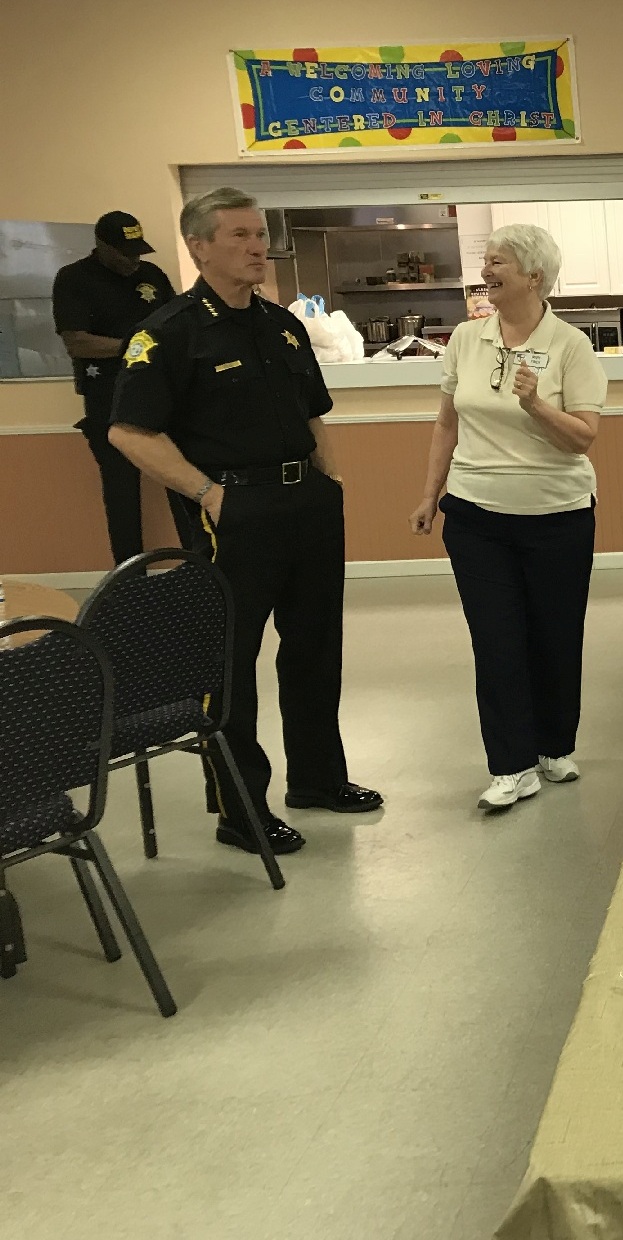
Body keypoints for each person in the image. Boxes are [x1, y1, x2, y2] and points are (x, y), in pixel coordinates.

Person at [110, 187, 382, 856]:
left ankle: (318, 778)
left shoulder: (281, 325)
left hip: (306, 504)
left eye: (259, 234)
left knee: (316, 648)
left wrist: (331, 480)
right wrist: (207, 494)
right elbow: (129, 432)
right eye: (238, 236)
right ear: (198, 246)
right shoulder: (170, 333)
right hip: (234, 512)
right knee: (230, 664)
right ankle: (239, 808)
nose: (256, 246)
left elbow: (312, 411)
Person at [408, 224, 605, 811]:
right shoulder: (467, 339)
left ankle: (553, 745)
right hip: (475, 515)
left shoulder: (571, 345)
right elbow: (447, 422)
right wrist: (429, 494)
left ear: (534, 277)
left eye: (498, 263)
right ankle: (510, 764)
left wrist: (535, 403)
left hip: (557, 516)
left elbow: (583, 440)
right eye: (486, 262)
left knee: (554, 635)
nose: (486, 272)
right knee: (496, 640)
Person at [51, 211, 177, 564]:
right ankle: (128, 579)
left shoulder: (152, 275)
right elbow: (77, 342)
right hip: (108, 397)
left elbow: (178, 327)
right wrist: (134, 348)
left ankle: (199, 570)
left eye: (137, 252)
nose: (133, 261)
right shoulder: (74, 279)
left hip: (162, 393)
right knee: (121, 494)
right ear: (102, 246)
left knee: (184, 484)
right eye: (124, 253)